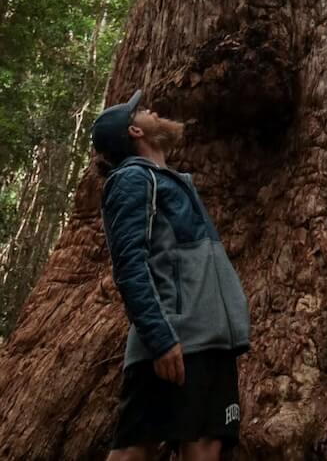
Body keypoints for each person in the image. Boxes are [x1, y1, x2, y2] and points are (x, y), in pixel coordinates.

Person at [91, 90, 250, 461]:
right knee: (135, 450)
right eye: (143, 111)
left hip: (210, 341)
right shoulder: (132, 179)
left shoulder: (172, 181)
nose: (153, 111)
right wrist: (160, 337)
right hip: (172, 341)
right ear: (134, 131)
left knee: (206, 444)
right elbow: (129, 265)